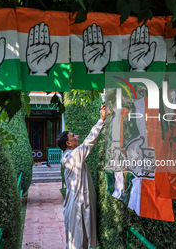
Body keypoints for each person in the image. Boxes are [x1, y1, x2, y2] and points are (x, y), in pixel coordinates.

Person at [56, 105, 106, 249]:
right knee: (77, 242)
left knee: (81, 240)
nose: (77, 137)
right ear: (68, 143)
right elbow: (89, 142)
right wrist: (101, 120)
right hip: (76, 204)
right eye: (74, 136)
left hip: (78, 202)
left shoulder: (72, 156)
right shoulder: (71, 156)